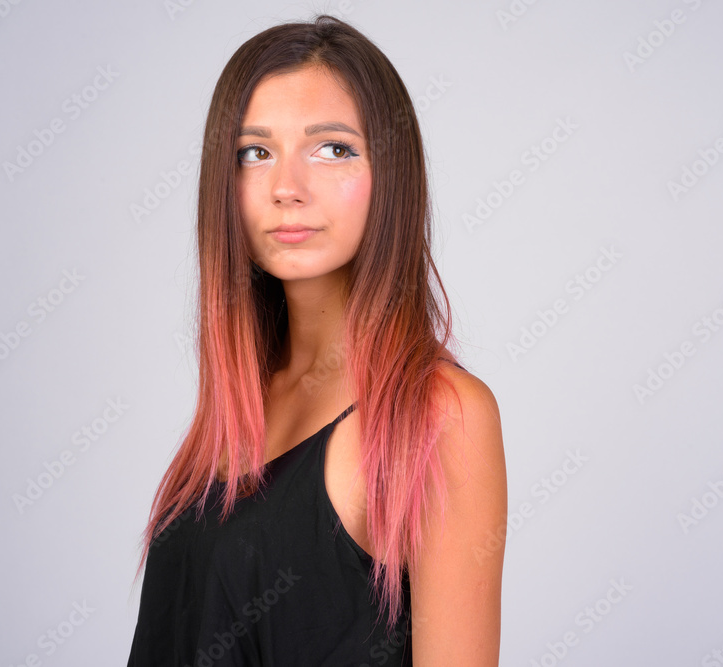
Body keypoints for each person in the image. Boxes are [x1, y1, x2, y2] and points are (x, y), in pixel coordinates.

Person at [125, 14, 507, 666]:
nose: (287, 189)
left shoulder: (442, 415)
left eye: (332, 149)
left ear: (392, 173)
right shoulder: (239, 401)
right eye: (255, 152)